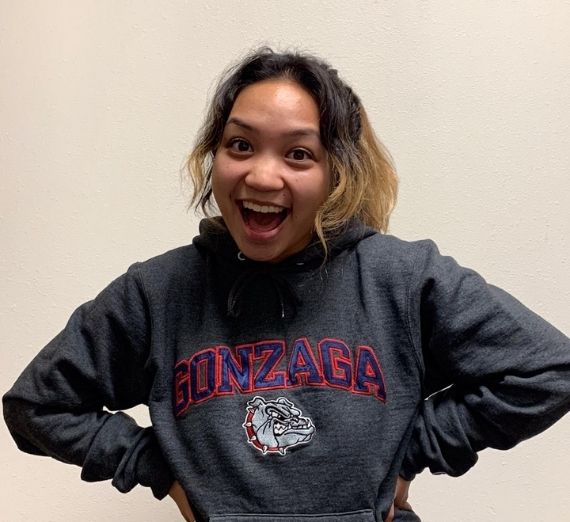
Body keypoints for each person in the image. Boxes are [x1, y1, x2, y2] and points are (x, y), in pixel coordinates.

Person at [3, 48, 570, 522]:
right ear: (213, 156)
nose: (261, 175)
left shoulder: (402, 278)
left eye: (298, 154)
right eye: (240, 145)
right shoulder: (160, 292)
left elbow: (548, 369)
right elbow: (38, 406)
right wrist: (156, 469)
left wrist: (414, 450)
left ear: (337, 173)